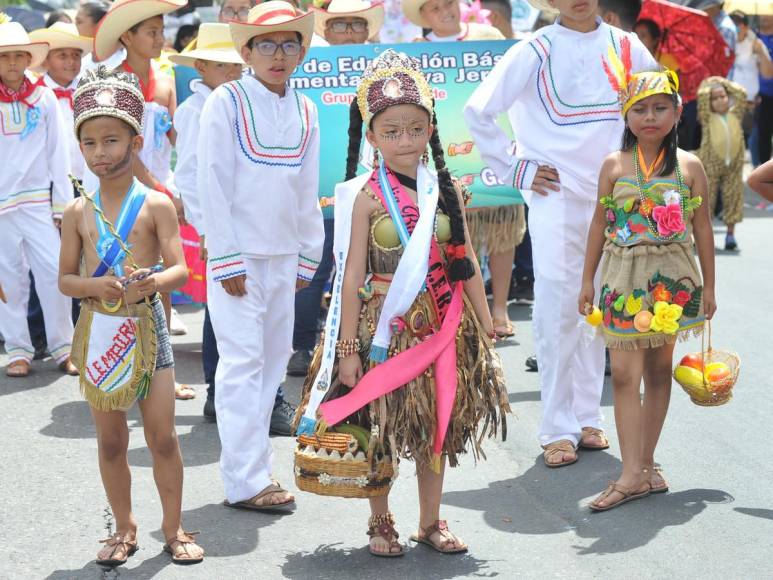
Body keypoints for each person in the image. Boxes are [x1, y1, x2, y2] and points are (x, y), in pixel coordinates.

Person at [294, 48, 509, 557]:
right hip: (382, 327)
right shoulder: (362, 196)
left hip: (442, 324)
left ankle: (431, 521)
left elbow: (467, 263)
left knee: (437, 426)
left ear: (431, 128)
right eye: (391, 131)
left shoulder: (447, 188)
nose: (405, 140)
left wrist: (486, 324)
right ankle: (381, 521)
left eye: (415, 128)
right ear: (371, 136)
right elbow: (349, 279)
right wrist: (348, 348)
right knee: (384, 427)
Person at [464, 0, 656, 468]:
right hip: (557, 193)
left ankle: (589, 416)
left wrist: (652, 172)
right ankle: (557, 426)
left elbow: (660, 108)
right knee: (556, 302)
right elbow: (478, 110)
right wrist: (516, 167)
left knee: (603, 301)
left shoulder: (626, 47)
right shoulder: (534, 49)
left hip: (619, 194)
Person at [59, 67, 204, 566]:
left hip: (149, 329)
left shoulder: (158, 204)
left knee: (163, 437)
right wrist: (95, 286)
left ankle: (174, 525)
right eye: (90, 143)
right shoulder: (79, 211)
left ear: (136, 141)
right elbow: (65, 280)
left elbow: (182, 269)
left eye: (112, 140)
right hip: (101, 329)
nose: (100, 152)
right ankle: (123, 527)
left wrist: (153, 283)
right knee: (111, 440)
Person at [198, 1, 324, 510]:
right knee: (241, 364)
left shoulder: (307, 108)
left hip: (284, 256)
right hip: (240, 260)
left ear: (301, 51)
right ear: (245, 51)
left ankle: (257, 473)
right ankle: (244, 481)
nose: (278, 54)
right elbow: (213, 181)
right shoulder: (225, 101)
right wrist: (225, 257)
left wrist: (308, 254)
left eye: (290, 43)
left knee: (272, 365)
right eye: (266, 44)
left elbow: (306, 188)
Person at [578, 62, 716, 511]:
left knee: (659, 372)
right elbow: (600, 223)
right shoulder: (614, 164)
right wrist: (587, 279)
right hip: (623, 279)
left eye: (661, 108)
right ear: (626, 115)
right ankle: (631, 471)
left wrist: (709, 288)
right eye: (641, 109)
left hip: (673, 279)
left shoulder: (689, 165)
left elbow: (704, 231)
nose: (650, 117)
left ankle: (645, 465)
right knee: (622, 374)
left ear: (678, 112)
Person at [91, 0, 198, 399]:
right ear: (127, 37)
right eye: (151, 31)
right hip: (123, 191)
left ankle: (159, 371)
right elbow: (121, 151)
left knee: (163, 279)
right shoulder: (111, 83)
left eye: (161, 30)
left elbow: (177, 141)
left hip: (160, 189)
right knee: (119, 280)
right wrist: (160, 188)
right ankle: (116, 367)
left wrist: (186, 183)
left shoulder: (167, 80)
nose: (160, 38)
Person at [287, 0, 384, 380]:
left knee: (372, 269)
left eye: (355, 25)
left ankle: (371, 340)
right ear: (325, 30)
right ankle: (302, 345)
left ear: (367, 31)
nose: (347, 33)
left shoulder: (383, 68)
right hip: (319, 189)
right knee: (316, 265)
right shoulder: (304, 71)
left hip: (374, 190)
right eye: (340, 25)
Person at [169, 23, 243, 418]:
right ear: (200, 66)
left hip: (249, 222)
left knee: (246, 309)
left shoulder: (245, 100)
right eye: (221, 65)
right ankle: (217, 390)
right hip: (218, 226)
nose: (231, 72)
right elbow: (190, 176)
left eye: (236, 64)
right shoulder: (193, 109)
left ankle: (246, 394)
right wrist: (208, 228)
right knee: (220, 311)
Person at [0, 20, 76, 378]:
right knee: (9, 278)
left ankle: (64, 346)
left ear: (30, 59)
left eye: (19, 56)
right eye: (5, 57)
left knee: (53, 272)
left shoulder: (42, 97)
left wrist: (62, 206)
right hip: (0, 205)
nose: (13, 63)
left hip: (36, 202)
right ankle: (18, 348)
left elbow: (57, 154)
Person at [29, 22, 92, 184]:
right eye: (62, 55)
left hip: (85, 176)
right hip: (46, 180)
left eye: (76, 55)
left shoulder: (90, 91)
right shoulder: (34, 96)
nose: (71, 61)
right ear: (45, 61)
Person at [697, 76, 746, 250]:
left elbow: (741, 93)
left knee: (733, 197)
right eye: (715, 98)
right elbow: (701, 96)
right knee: (707, 199)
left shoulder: (736, 113)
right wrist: (709, 84)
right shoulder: (707, 117)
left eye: (723, 96)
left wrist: (723, 82)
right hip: (711, 164)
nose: (719, 100)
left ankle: (730, 234)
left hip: (733, 164)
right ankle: (703, 236)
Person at [729, 11, 773, 149]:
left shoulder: (754, 43)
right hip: (726, 101)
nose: (735, 27)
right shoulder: (724, 41)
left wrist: (762, 52)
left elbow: (768, 74)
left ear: (746, 26)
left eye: (739, 24)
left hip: (750, 103)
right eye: (732, 23)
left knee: (751, 139)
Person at [403, 0, 504, 41]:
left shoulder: (489, 34)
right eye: (435, 8)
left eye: (449, 2)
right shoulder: (419, 48)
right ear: (423, 15)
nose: (445, 11)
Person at [76, 1, 124, 72]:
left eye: (79, 22)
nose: (75, 26)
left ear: (100, 25)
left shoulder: (124, 60)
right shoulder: (82, 63)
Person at [312, 0, 384, 45]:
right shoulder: (313, 63)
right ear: (326, 33)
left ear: (366, 32)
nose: (349, 31)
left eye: (358, 25)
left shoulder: (380, 61)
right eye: (339, 25)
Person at [755, 15, 773, 166]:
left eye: (769, 14)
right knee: (763, 133)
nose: (765, 17)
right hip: (760, 95)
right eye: (763, 15)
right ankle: (763, 167)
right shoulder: (753, 36)